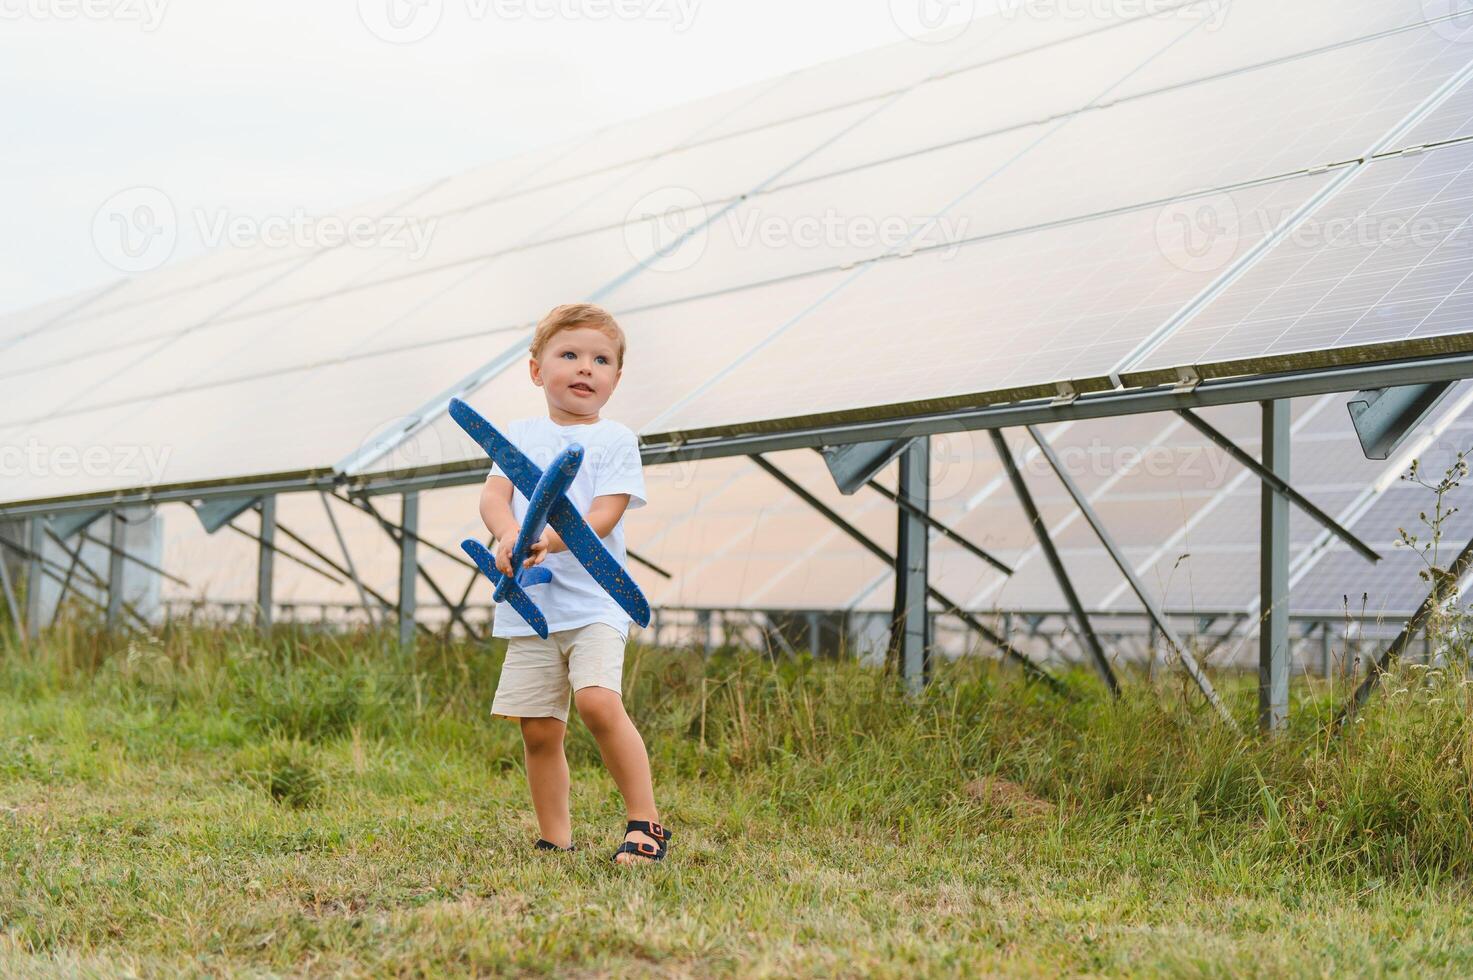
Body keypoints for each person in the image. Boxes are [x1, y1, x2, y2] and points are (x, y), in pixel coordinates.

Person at [477, 302, 669, 865]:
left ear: (616, 377)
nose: (586, 368)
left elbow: (606, 513)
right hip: (532, 607)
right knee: (538, 728)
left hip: (595, 603)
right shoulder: (519, 435)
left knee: (597, 703)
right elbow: (494, 496)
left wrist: (549, 541)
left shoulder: (614, 439)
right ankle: (555, 836)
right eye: (570, 355)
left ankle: (646, 824)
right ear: (536, 370)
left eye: (601, 359)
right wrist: (510, 532)